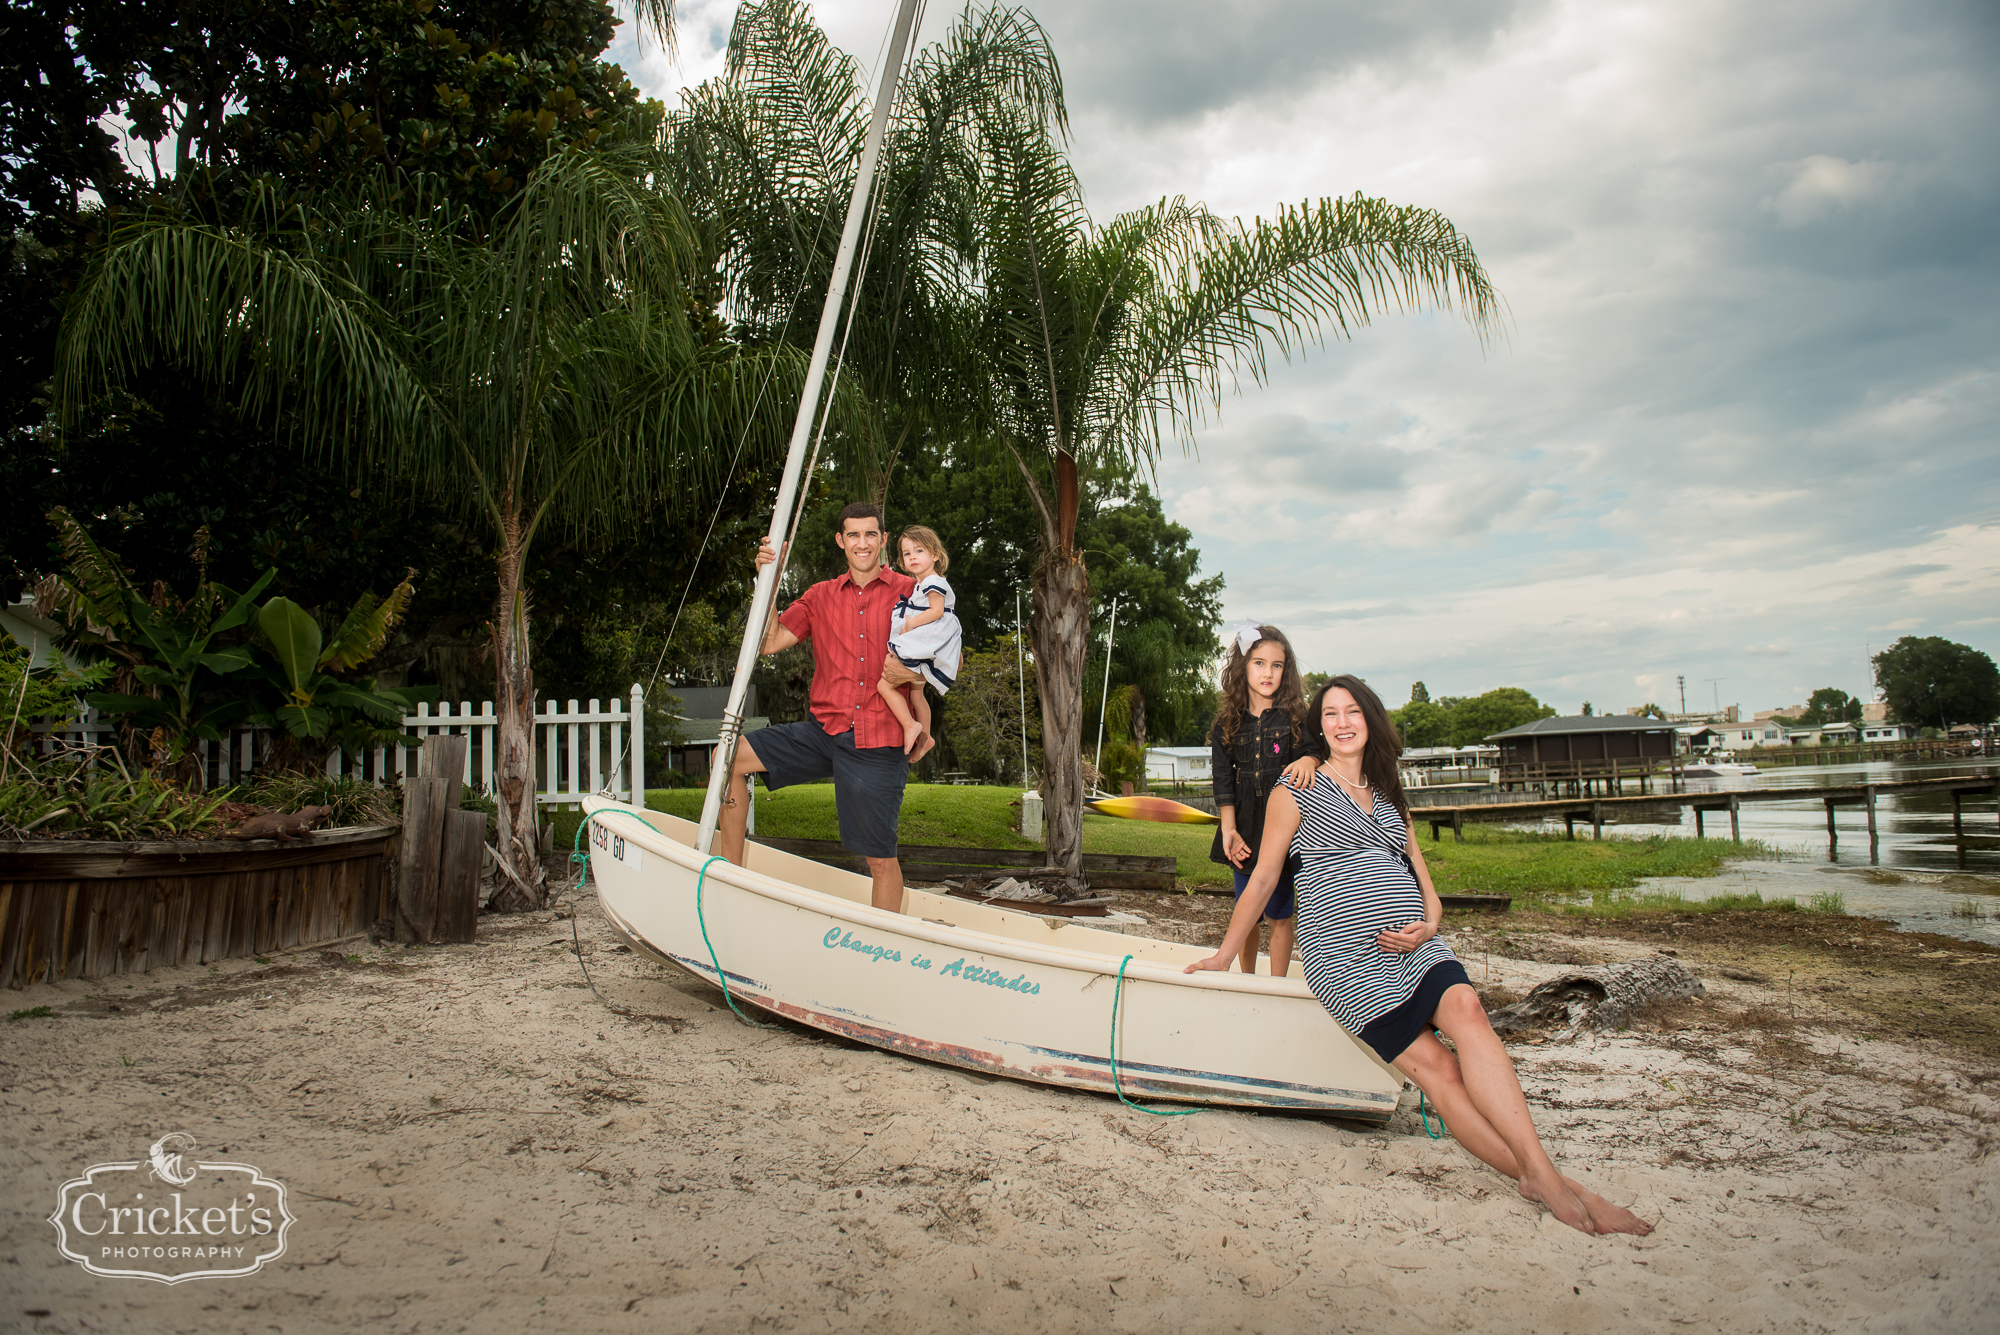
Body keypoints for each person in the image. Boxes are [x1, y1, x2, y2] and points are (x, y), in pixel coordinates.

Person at [1187, 674, 1654, 1237]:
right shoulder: (1297, 791)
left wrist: (1428, 924)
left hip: (1416, 943)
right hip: (1344, 957)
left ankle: (1543, 1177)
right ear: (1318, 727)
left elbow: (1422, 880)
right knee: (1440, 1072)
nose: (1341, 722)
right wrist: (1224, 954)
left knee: (1472, 1015)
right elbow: (1263, 878)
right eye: (1330, 714)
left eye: (1353, 711)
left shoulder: (1387, 789)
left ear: (1370, 719)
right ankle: (1551, 1183)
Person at [715, 502, 915, 913]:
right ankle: (731, 878)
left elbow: (953, 659)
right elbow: (770, 642)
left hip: (877, 739)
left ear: (883, 540)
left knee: (879, 857)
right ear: (841, 541)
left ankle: (885, 949)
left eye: (871, 534)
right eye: (853, 535)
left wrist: (912, 674)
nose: (863, 543)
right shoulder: (820, 596)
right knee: (726, 757)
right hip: (823, 732)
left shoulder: (911, 591)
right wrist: (768, 579)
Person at [1208, 621, 1318, 976]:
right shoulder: (1227, 721)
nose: (1268, 672)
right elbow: (1223, 779)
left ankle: (1279, 985)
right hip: (1243, 828)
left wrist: (1308, 758)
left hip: (1284, 832)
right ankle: (1248, 980)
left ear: (1286, 671)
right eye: (1259, 663)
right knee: (1248, 911)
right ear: (1243, 667)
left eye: (1277, 665)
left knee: (1280, 915)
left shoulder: (1297, 717)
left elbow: (1318, 752)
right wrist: (1229, 830)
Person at [875, 525, 961, 759]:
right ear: (902, 561)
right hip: (927, 644)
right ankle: (926, 737)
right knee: (916, 694)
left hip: (926, 643)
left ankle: (910, 725)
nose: (912, 556)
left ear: (935, 554)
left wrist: (911, 624)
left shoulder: (934, 581)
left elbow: (936, 611)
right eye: (907, 553)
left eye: (919, 550)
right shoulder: (923, 583)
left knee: (884, 685)